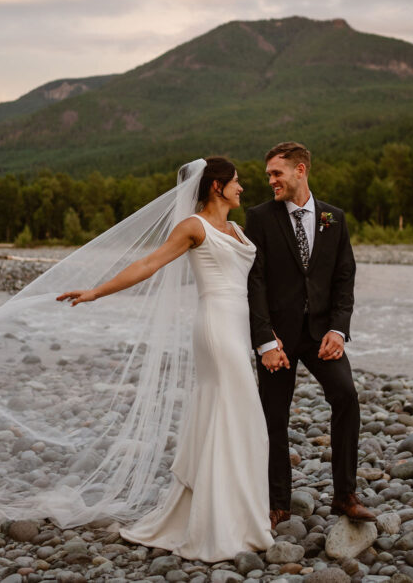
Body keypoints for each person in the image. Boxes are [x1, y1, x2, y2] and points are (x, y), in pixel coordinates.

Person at [57, 157, 274, 562]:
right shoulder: (194, 226)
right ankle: (217, 524)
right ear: (216, 187)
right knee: (235, 414)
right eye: (237, 182)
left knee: (235, 419)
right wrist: (95, 292)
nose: (242, 188)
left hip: (239, 327)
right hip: (215, 327)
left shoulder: (239, 230)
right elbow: (148, 263)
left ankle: (232, 516)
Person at [245, 141, 376, 528]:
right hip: (278, 340)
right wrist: (265, 340)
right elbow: (255, 281)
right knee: (274, 417)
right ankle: (278, 503)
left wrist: (338, 329)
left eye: (276, 173)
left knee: (347, 397)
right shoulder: (260, 217)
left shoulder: (333, 217)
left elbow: (344, 277)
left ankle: (345, 495)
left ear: (300, 171)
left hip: (322, 335)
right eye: (268, 174)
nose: (270, 180)